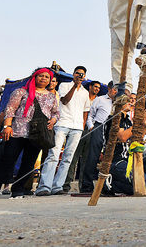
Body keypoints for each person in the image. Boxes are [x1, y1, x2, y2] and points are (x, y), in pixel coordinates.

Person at [0, 68, 59, 199]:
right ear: (34, 77)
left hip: (37, 133)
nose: (43, 79)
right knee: (7, 160)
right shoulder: (21, 92)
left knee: (29, 163)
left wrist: (53, 120)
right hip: (17, 131)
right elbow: (10, 109)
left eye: (47, 77)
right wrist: (7, 126)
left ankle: (18, 190)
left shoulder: (52, 96)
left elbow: (55, 112)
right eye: (40, 76)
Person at [36, 66, 91, 196]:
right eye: (77, 73)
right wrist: (74, 86)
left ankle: (57, 186)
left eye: (82, 74)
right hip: (62, 124)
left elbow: (85, 111)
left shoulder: (85, 92)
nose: (79, 76)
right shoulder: (65, 86)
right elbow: (65, 101)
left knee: (68, 158)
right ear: (73, 74)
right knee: (53, 155)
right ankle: (44, 186)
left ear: (84, 77)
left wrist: (82, 126)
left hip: (77, 127)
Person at [109, 98, 146, 195]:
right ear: (119, 104)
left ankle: (113, 184)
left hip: (127, 161)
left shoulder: (129, 122)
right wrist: (138, 124)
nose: (131, 103)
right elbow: (122, 137)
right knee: (144, 187)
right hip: (116, 161)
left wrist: (144, 125)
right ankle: (109, 184)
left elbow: (137, 139)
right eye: (128, 101)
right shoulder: (115, 118)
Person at [64, 80, 101, 192]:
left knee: (86, 159)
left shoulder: (99, 101)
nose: (97, 89)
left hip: (91, 130)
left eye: (98, 88)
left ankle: (83, 186)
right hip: (79, 128)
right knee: (72, 158)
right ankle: (65, 185)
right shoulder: (82, 97)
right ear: (90, 87)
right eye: (95, 87)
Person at [79, 81, 113, 193]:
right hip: (99, 127)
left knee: (110, 158)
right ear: (109, 88)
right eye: (114, 89)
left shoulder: (121, 102)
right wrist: (91, 127)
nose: (116, 91)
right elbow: (91, 115)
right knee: (92, 157)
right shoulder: (100, 99)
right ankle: (87, 186)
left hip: (113, 129)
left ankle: (107, 186)